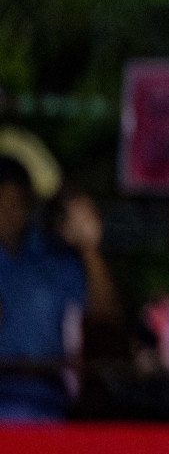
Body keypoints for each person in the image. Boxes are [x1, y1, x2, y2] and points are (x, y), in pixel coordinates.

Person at [0, 157, 118, 421]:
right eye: (2, 201)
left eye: (16, 201)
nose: (9, 211)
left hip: (44, 406)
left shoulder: (52, 260)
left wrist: (89, 248)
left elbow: (104, 315)